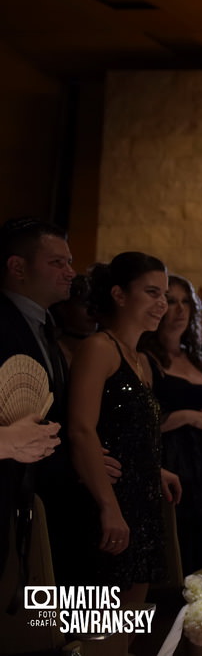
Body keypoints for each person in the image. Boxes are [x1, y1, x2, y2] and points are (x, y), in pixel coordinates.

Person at [67, 251, 181, 604]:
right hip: (110, 501)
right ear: (119, 294)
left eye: (164, 295)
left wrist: (151, 470)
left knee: (129, 625)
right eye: (151, 293)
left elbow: (126, 431)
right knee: (102, 627)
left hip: (141, 503)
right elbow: (81, 430)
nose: (162, 304)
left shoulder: (141, 360)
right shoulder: (98, 348)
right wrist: (108, 506)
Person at [140, 274, 202, 574]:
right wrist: (191, 417)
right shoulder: (145, 358)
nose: (179, 310)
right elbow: (143, 421)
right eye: (171, 301)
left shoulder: (196, 357)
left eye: (185, 302)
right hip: (175, 467)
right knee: (180, 560)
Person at [0, 218, 69, 607]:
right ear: (18, 267)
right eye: (57, 262)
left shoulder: (46, 326)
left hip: (37, 489)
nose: (70, 272)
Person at [51, 273, 96, 365]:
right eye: (85, 304)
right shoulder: (51, 350)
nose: (93, 311)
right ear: (62, 307)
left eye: (95, 304)